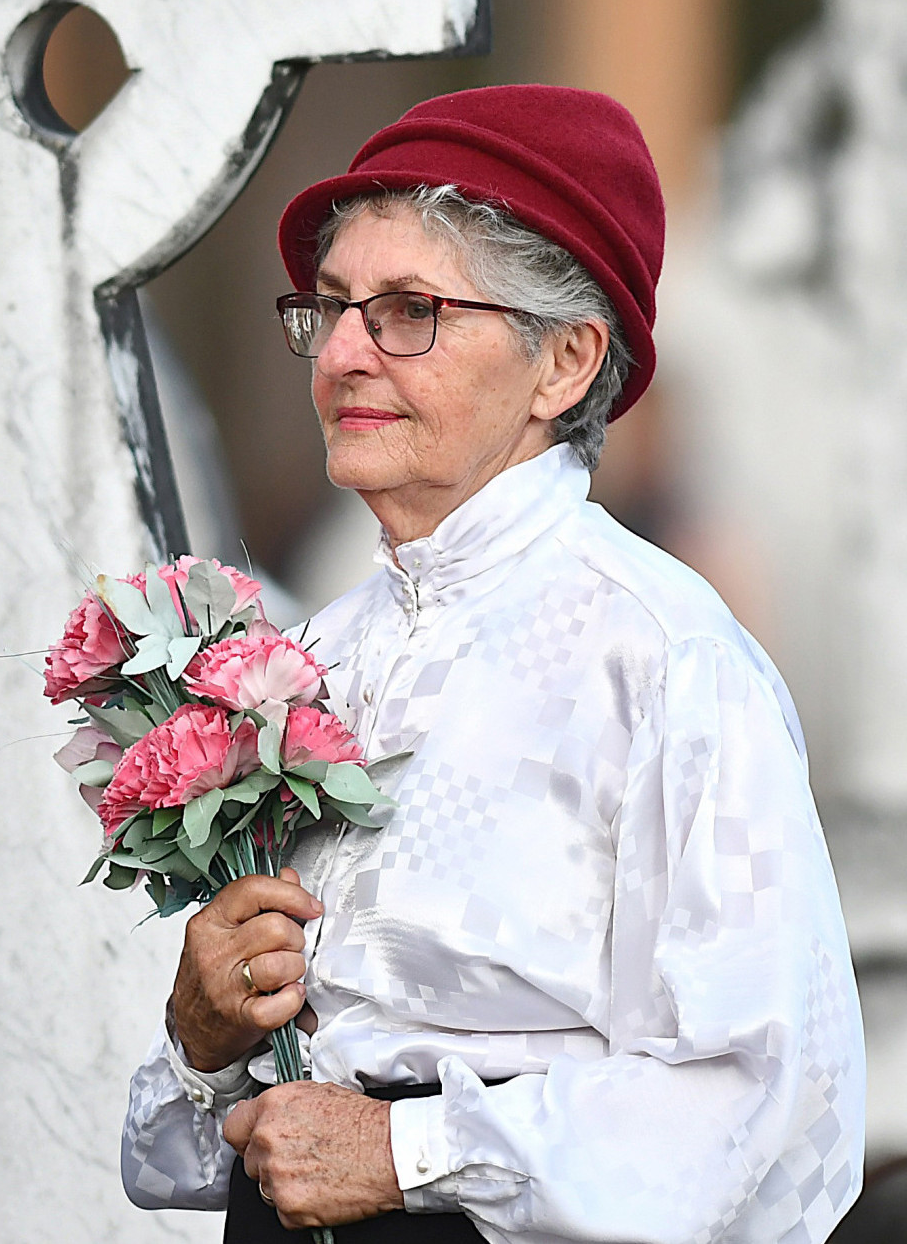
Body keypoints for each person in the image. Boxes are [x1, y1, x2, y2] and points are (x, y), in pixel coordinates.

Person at [120, 85, 865, 1243]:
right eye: (330, 308)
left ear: (564, 362)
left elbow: (764, 1103)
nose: (343, 355)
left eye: (409, 309)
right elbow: (184, 1157)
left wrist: (405, 1149)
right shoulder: (308, 654)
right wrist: (204, 1044)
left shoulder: (664, 657)